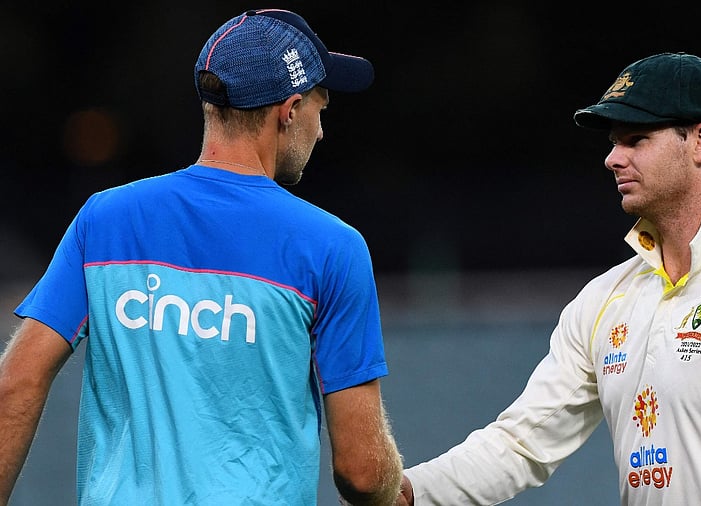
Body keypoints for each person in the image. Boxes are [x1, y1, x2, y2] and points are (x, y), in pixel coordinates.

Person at [396, 53, 701, 505]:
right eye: (614, 143)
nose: (613, 158)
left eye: (636, 139)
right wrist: (403, 494)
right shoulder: (604, 301)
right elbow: (519, 445)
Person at [0, 8, 404, 505]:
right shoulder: (332, 248)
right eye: (322, 107)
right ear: (290, 110)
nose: (321, 131)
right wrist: (398, 491)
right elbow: (362, 471)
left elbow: (17, 380)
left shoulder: (105, 219)